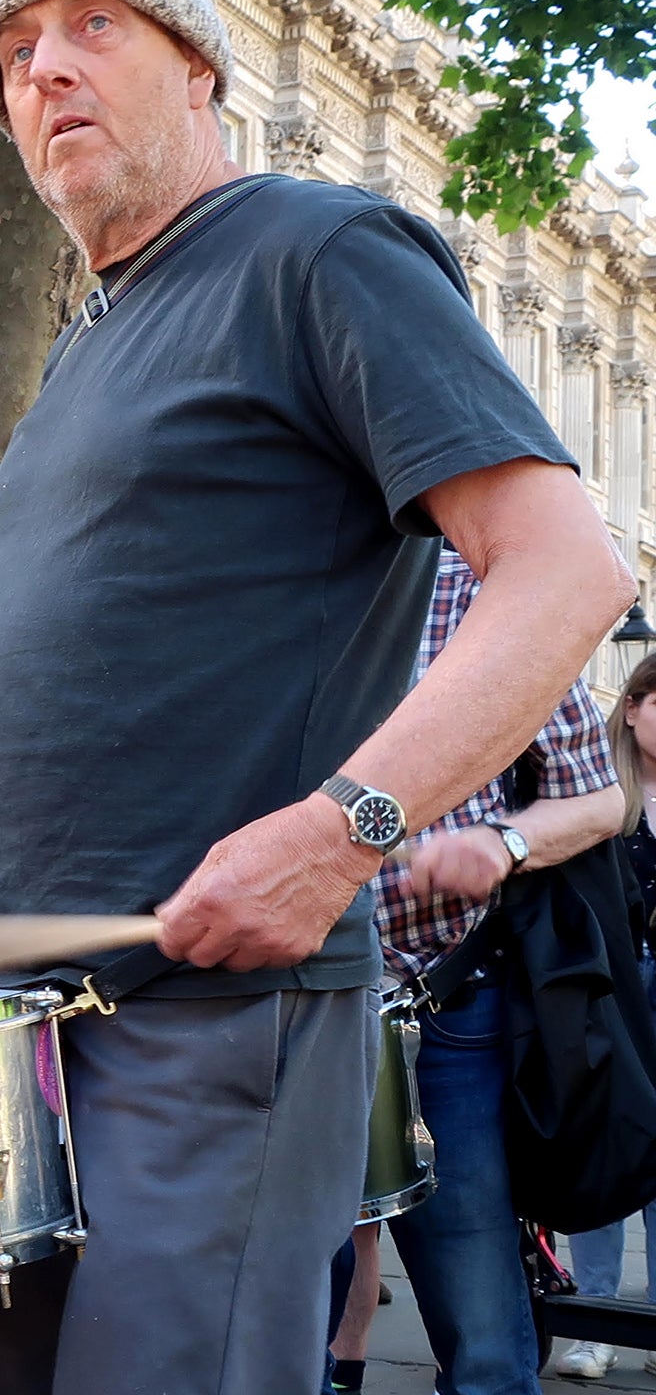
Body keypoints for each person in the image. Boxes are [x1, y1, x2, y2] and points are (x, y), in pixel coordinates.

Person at [0, 0, 632, 1395]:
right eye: (11, 55)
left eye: (92, 26)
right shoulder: (85, 342)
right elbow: (110, 652)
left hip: (213, 1028)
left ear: (201, 68)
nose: (44, 67)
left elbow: (569, 572)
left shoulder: (322, 250)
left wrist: (344, 836)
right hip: (8, 1036)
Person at [348, 547, 623, 1395]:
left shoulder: (483, 594)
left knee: (482, 1335)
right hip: (250, 1008)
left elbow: (602, 798)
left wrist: (505, 843)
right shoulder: (224, 574)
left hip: (439, 1006)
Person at [555, 650, 656, 1380]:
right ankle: (595, 1321)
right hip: (613, 984)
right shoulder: (599, 791)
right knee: (604, 1136)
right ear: (632, 707)